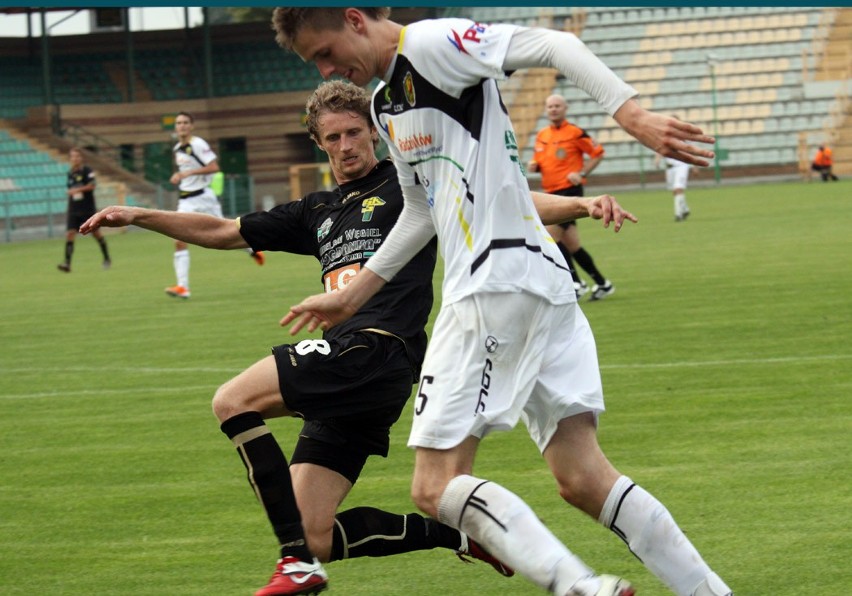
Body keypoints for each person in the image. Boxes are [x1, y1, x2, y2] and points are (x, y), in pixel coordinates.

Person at [80, 80, 630, 596]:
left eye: (354, 133)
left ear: (374, 132)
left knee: (233, 400)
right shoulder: (315, 210)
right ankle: (459, 537)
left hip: (377, 347)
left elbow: (505, 201)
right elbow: (224, 231)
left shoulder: (410, 183)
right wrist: (139, 215)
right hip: (354, 370)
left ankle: (294, 562)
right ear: (319, 144)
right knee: (315, 530)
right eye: (334, 138)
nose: (347, 146)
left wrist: (579, 204)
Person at [276, 8, 732, 596]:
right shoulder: (387, 107)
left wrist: (631, 112)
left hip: (493, 284)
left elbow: (555, 45)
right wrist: (357, 293)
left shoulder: (434, 44)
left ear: (355, 20)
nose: (326, 68)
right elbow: (422, 210)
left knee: (434, 486)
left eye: (325, 52)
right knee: (582, 478)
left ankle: (581, 587)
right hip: (540, 285)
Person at [167, 111, 263, 299]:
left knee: (225, 233)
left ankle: (252, 248)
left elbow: (214, 167)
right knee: (178, 239)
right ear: (175, 127)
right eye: (179, 123)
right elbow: (185, 170)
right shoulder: (178, 148)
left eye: (186, 122)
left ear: (192, 126)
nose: (182, 126)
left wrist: (188, 174)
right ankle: (182, 287)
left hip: (204, 198)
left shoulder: (198, 144)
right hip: (186, 200)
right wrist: (179, 176)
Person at [528, 94, 614, 300]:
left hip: (569, 191)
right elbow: (539, 159)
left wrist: (582, 173)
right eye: (550, 106)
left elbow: (598, 152)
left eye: (557, 106)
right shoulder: (542, 135)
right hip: (550, 192)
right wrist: (535, 165)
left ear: (565, 108)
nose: (554, 109)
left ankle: (575, 282)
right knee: (572, 244)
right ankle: (603, 284)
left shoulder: (575, 132)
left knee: (549, 237)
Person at [57, 147, 111, 273]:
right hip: (74, 209)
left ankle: (107, 258)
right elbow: (71, 189)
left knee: (96, 233)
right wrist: (71, 192)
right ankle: (67, 263)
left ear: (81, 158)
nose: (75, 159)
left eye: (77, 156)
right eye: (72, 156)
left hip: (87, 208)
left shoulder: (87, 171)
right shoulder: (70, 173)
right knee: (70, 234)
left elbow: (92, 186)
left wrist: (76, 190)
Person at [655, 152, 693, 221]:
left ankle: (678, 214)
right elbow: (660, 148)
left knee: (678, 188)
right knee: (675, 191)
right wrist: (657, 159)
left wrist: (694, 166)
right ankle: (685, 209)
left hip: (681, 166)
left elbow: (689, 148)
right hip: (670, 168)